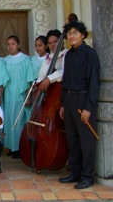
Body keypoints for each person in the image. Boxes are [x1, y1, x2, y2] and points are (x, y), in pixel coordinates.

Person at [58, 21, 100, 189]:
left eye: (75, 33)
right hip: (68, 101)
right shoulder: (68, 55)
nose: (71, 36)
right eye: (69, 34)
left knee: (86, 141)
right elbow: (65, 80)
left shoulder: (90, 54)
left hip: (83, 100)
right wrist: (62, 103)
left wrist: (89, 108)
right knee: (72, 139)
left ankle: (87, 176)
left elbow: (94, 83)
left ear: (83, 35)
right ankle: (75, 172)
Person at [2, 35, 33, 159]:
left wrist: (29, 96)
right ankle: (11, 146)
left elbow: (30, 79)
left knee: (19, 120)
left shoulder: (25, 60)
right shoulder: (5, 60)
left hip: (20, 93)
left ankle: (19, 148)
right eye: (8, 44)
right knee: (9, 119)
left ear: (18, 45)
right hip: (8, 93)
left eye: (13, 44)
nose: (10, 46)